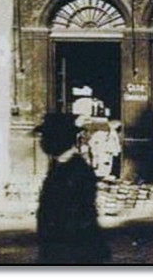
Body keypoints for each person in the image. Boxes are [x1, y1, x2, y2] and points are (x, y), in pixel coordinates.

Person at [35, 113, 110, 264]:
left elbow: (77, 216)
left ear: (59, 139)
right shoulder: (59, 167)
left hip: (73, 252)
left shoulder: (77, 170)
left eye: (46, 136)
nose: (42, 142)